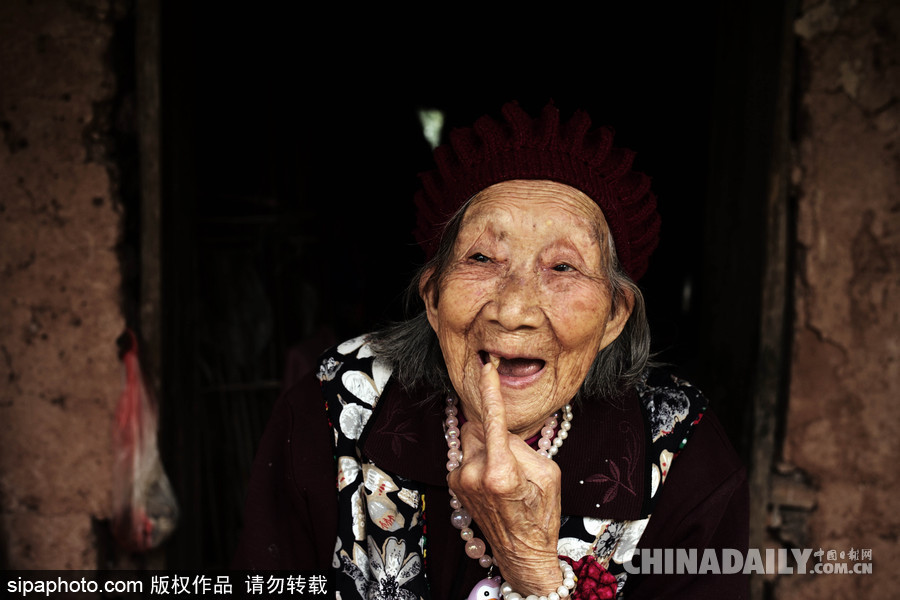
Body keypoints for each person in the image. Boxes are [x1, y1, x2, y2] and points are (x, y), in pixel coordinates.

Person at [233, 102, 749, 599]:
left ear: (615, 314)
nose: (514, 309)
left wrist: (536, 575)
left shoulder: (681, 452)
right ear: (432, 298)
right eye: (482, 257)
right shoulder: (334, 404)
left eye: (563, 268)